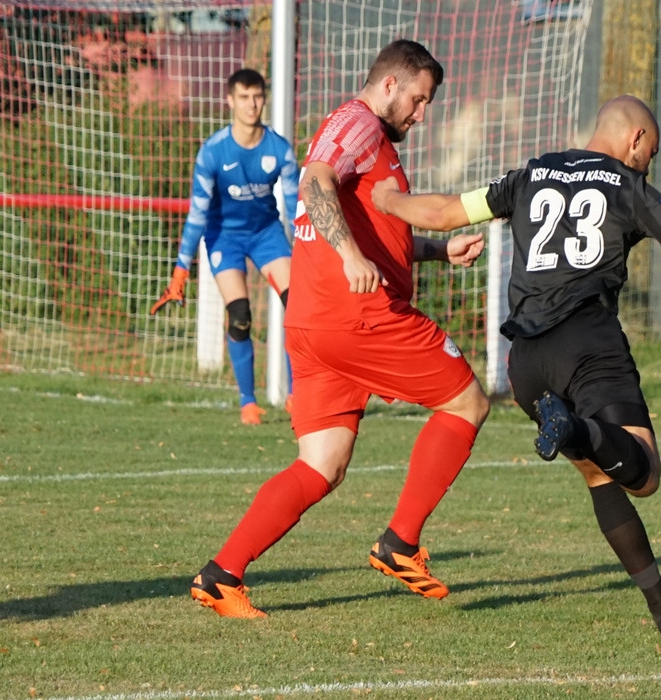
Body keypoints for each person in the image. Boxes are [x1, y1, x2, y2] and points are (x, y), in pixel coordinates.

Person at [371, 94, 661, 641]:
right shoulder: (627, 186)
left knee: (599, 471)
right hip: (587, 343)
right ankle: (575, 427)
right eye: (650, 153)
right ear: (635, 139)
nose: (648, 165)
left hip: (527, 364)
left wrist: (388, 198)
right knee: (645, 473)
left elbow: (444, 213)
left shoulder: (530, 175)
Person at [188, 39, 491, 618]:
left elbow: (374, 231)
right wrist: (351, 256)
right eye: (418, 99)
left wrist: (436, 250)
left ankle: (221, 575)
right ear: (389, 85)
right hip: (359, 317)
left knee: (321, 464)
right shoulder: (360, 123)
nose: (421, 114)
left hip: (312, 322)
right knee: (467, 402)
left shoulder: (368, 141)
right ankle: (401, 542)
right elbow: (315, 181)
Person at [151, 68, 298, 425]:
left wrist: (311, 253)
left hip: (266, 234)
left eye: (257, 96)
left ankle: (298, 396)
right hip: (224, 238)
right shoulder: (213, 152)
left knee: (299, 307)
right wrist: (181, 268)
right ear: (230, 100)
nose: (252, 104)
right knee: (241, 315)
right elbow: (197, 214)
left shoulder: (280, 150)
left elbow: (296, 211)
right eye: (244, 97)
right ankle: (248, 403)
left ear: (265, 99)